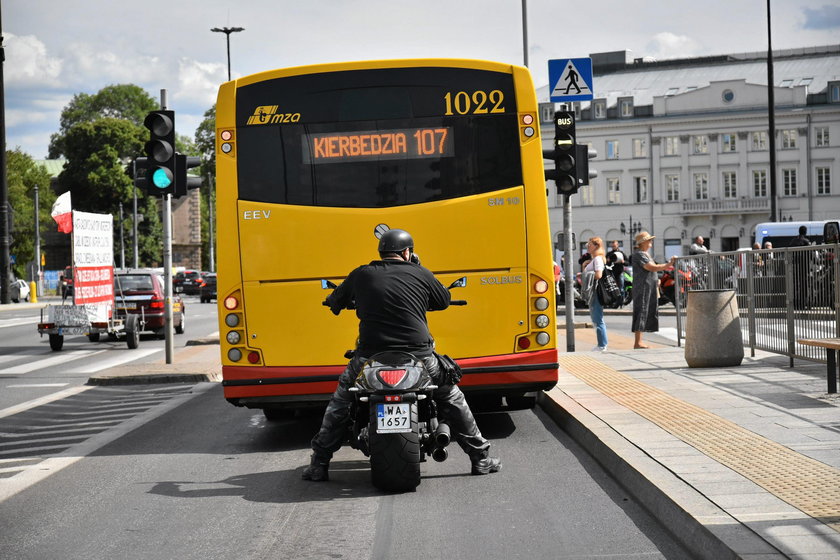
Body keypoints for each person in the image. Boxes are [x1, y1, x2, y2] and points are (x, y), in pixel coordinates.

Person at [302, 229, 501, 482]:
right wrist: (419, 269)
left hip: (370, 356)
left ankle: (319, 463)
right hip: (419, 355)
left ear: (381, 253)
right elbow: (443, 300)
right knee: (451, 396)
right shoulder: (420, 273)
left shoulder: (361, 274)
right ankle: (481, 459)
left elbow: (336, 300)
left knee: (341, 399)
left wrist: (334, 302)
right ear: (407, 252)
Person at [631, 231, 676, 349]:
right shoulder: (639, 254)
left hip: (647, 286)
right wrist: (669, 264)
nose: (651, 241)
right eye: (649, 240)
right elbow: (651, 267)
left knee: (645, 311)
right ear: (643, 242)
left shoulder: (644, 254)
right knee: (642, 311)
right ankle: (638, 342)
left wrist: (657, 280)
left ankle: (639, 341)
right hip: (643, 287)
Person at [584, 237, 608, 351]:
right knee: (596, 318)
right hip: (594, 291)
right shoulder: (595, 259)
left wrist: (585, 275)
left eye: (590, 245)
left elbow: (598, 275)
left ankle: (602, 345)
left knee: (598, 319)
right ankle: (601, 344)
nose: (588, 246)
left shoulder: (598, 259)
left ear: (597, 246)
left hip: (596, 292)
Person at [789, 225, 811, 309]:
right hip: (804, 267)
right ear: (805, 232)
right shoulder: (806, 241)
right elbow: (809, 254)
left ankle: (795, 303)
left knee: (795, 285)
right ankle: (804, 303)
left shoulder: (793, 241)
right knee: (804, 285)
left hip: (794, 267)